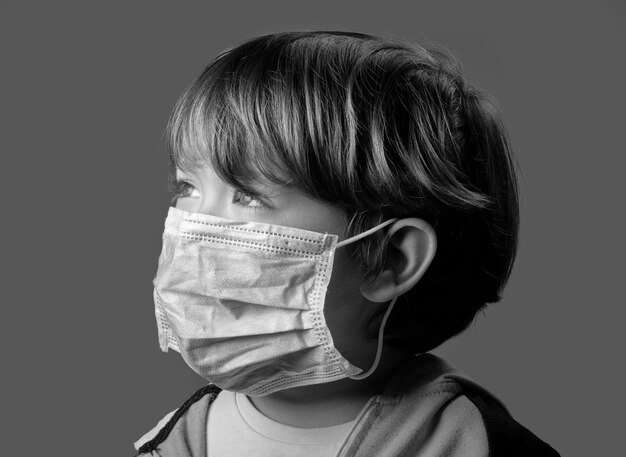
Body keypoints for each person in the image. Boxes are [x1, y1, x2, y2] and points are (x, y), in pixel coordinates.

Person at [134, 31, 559, 456]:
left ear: (389, 260)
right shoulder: (172, 441)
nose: (193, 225)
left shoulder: (473, 445)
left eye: (247, 195)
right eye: (186, 187)